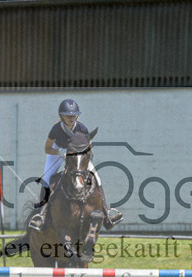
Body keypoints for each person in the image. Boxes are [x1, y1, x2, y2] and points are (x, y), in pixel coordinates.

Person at [28, 98, 122, 231]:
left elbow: (89, 146)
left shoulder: (82, 128)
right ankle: (40, 215)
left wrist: (83, 156)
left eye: (74, 115)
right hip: (57, 152)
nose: (71, 118)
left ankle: (107, 213)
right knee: (47, 179)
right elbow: (47, 148)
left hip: (77, 155)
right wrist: (61, 152)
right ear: (61, 116)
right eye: (68, 115)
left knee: (97, 178)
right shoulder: (56, 129)